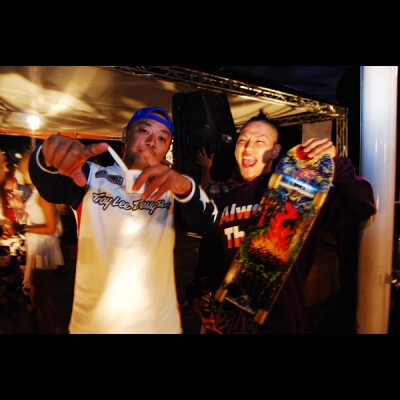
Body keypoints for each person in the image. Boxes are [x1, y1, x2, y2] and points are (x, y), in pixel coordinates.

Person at [28, 106, 218, 334]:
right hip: (95, 326)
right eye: (144, 131)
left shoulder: (173, 186)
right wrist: (46, 155)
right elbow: (49, 185)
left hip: (159, 325)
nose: (151, 142)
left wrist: (184, 186)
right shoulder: (93, 175)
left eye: (162, 138)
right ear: (125, 135)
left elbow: (206, 223)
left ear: (168, 148)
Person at [185, 112, 376, 334]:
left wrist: (335, 164)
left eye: (259, 141)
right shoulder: (224, 197)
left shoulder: (298, 194)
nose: (248, 148)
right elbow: (209, 258)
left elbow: (362, 204)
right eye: (243, 140)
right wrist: (196, 295)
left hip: (283, 322)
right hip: (230, 321)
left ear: (275, 151)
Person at [19, 150, 65, 334]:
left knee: (37, 296)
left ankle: (51, 329)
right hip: (38, 246)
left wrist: (25, 229)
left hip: (44, 247)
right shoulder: (36, 192)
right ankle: (52, 329)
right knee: (43, 296)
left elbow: (51, 228)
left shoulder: (44, 195)